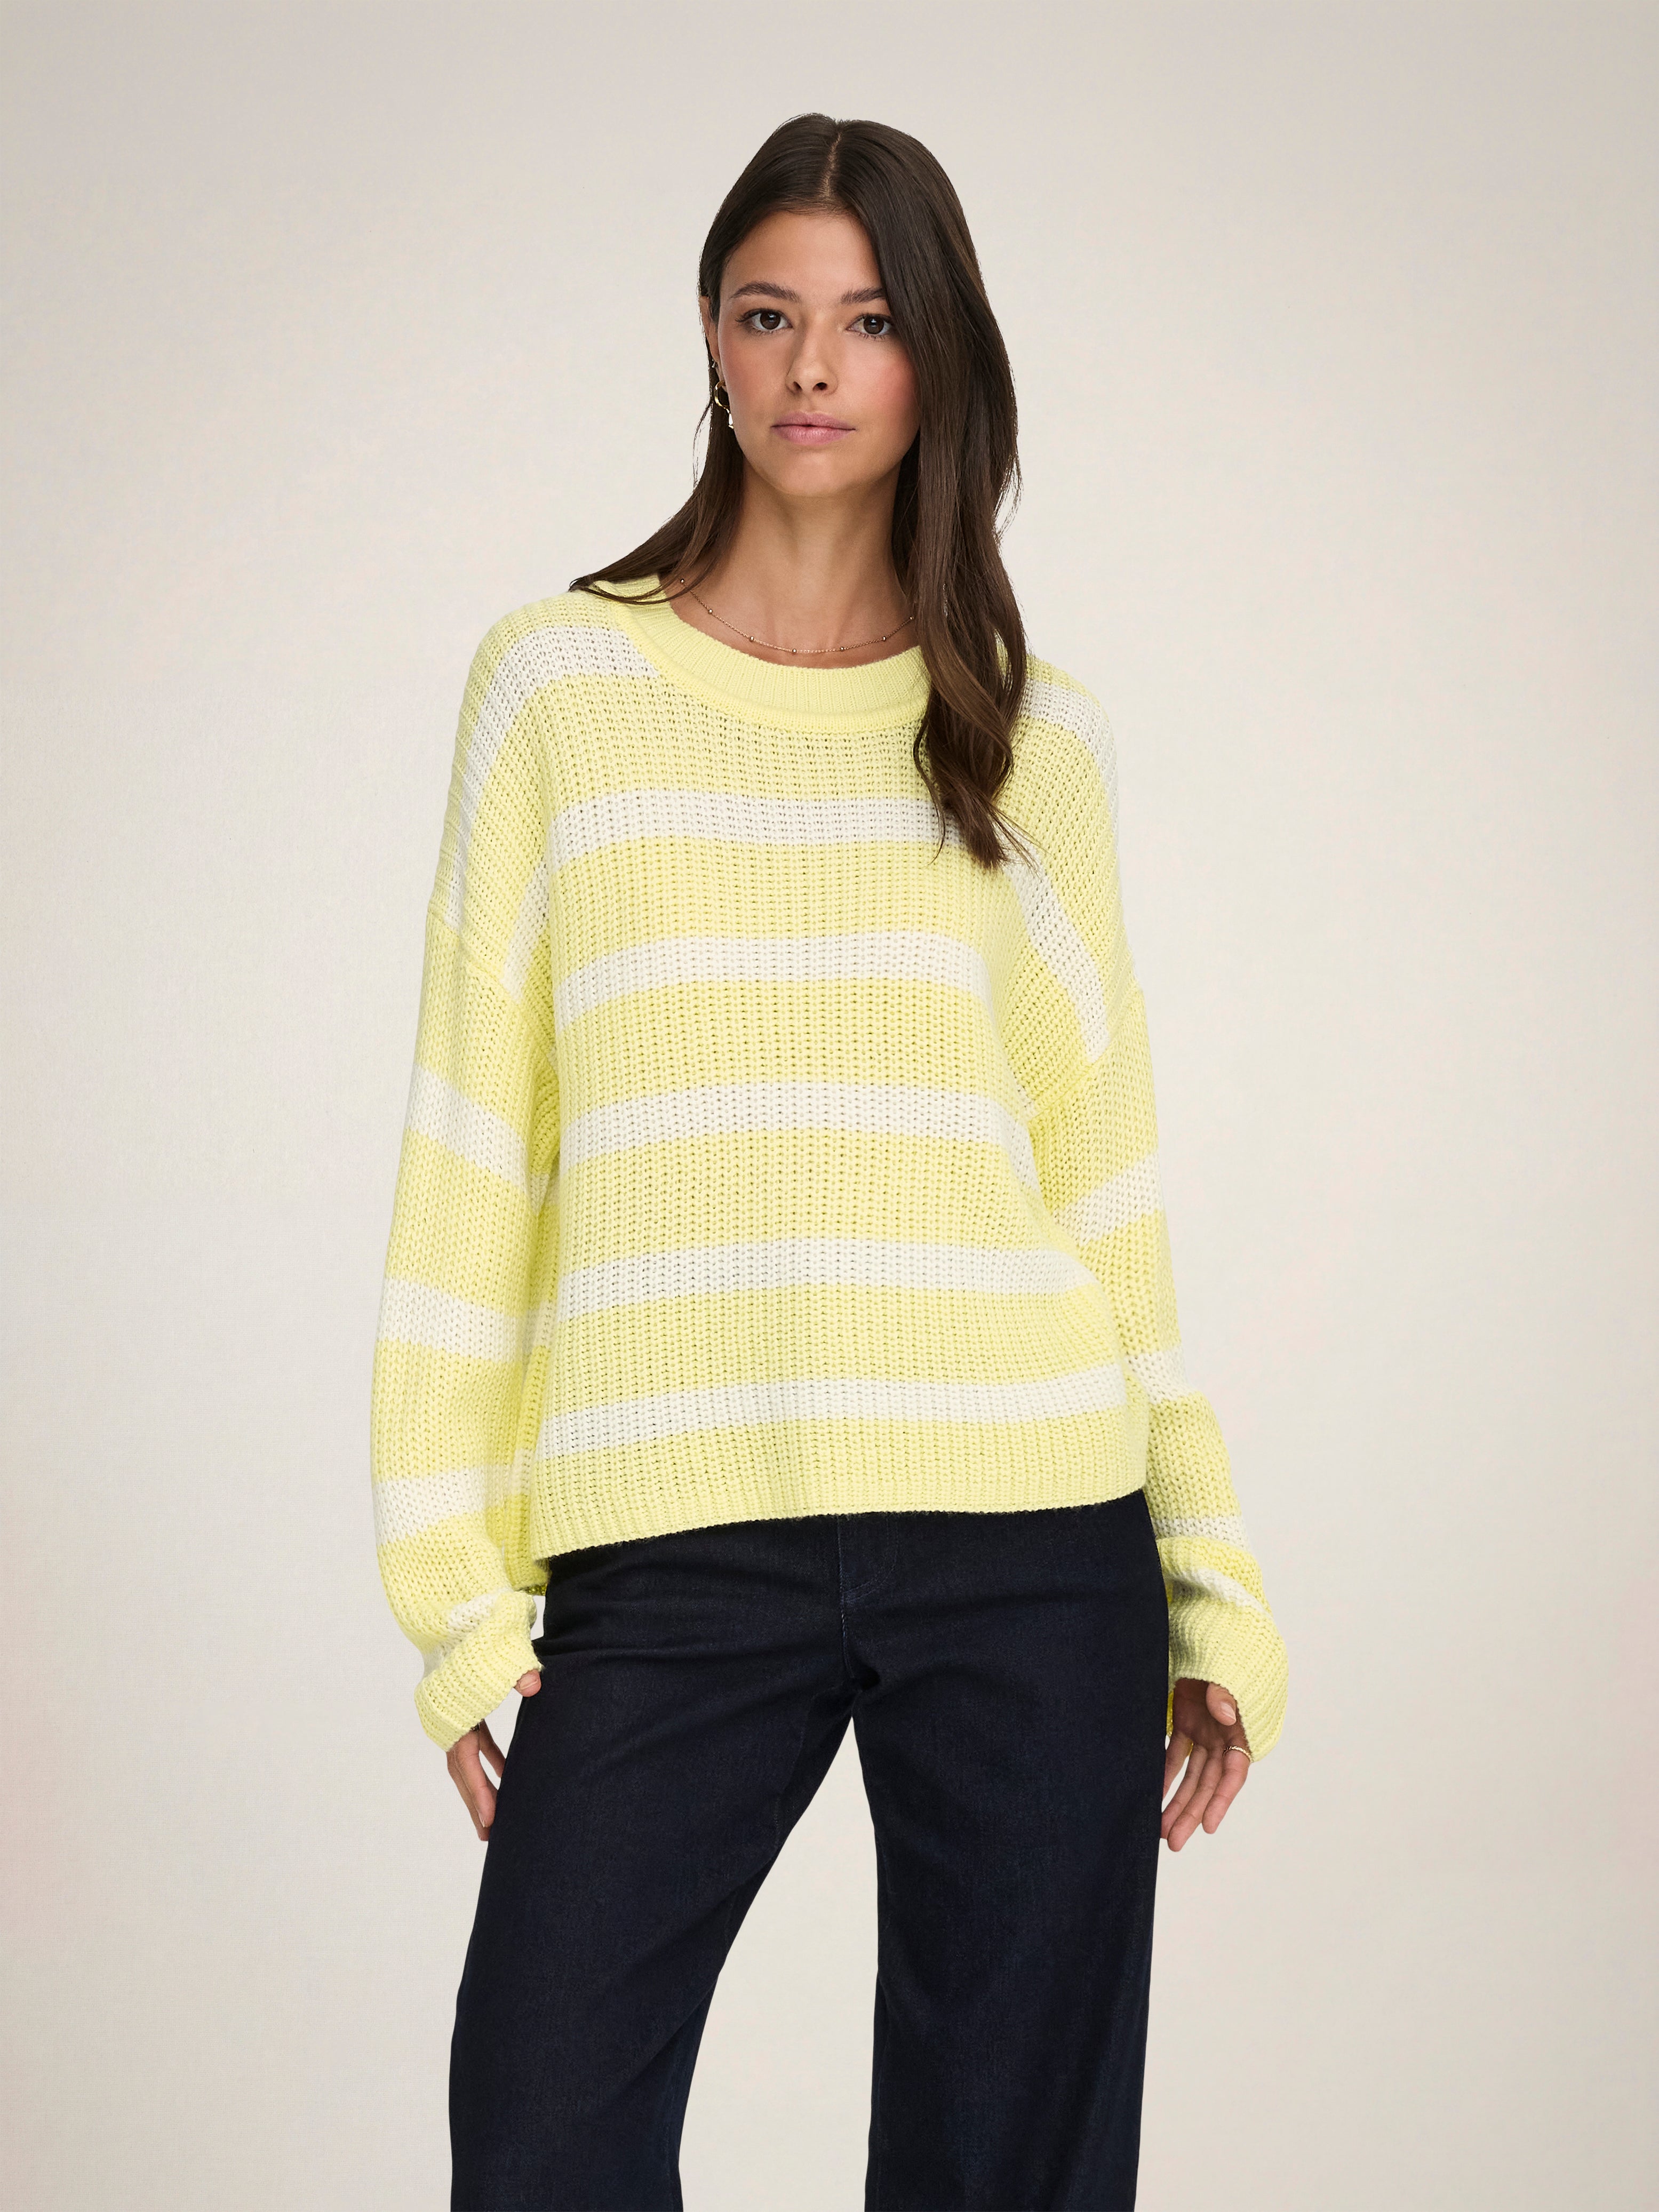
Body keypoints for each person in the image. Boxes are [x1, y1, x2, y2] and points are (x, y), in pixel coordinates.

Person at [370, 110, 1289, 2212]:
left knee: (1007, 2170)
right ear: (709, 339)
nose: (810, 366)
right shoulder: (559, 689)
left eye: (868, 322)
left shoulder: (1036, 737)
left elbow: (1106, 1190)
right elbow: (470, 1154)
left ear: (937, 358)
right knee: (543, 2132)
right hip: (673, 1536)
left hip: (1031, 1528)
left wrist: (1215, 1583)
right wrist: (452, 1585)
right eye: (767, 313)